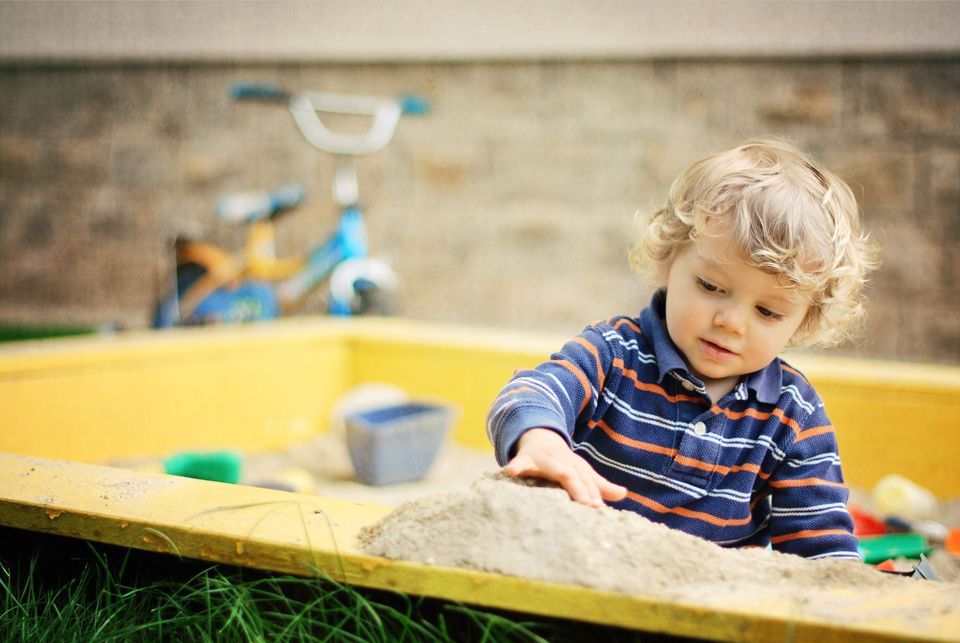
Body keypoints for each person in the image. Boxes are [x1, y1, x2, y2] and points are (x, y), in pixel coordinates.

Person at [486, 139, 878, 559]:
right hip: (579, 567)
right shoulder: (614, 354)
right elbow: (532, 392)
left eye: (767, 311)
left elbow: (822, 547)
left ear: (806, 320)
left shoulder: (792, 414)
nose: (731, 321)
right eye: (710, 287)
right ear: (669, 259)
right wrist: (541, 439)